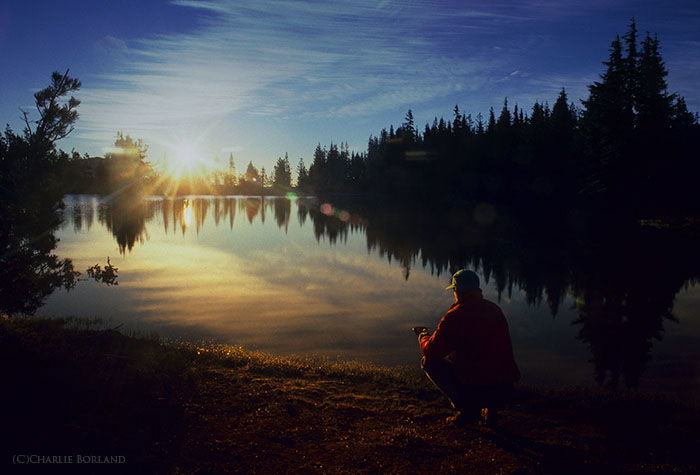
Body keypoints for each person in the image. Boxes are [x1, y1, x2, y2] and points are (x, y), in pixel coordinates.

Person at [418, 269, 520, 427]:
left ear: (457, 291)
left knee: (429, 362)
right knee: (488, 365)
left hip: (478, 384)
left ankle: (468, 411)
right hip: (504, 385)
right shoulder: (494, 309)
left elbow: (432, 351)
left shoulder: (456, 315)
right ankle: (491, 412)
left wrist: (422, 336)